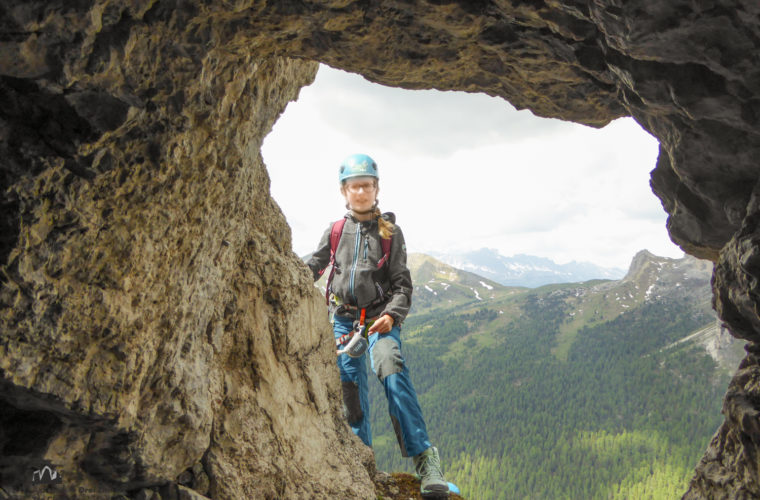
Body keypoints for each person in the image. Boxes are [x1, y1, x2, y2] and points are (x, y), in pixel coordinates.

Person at [307, 153, 449, 498]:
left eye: (366, 185)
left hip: (379, 320)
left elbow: (402, 284)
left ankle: (426, 461)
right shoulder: (337, 230)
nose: (360, 191)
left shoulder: (390, 232)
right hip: (343, 320)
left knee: (393, 373)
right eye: (354, 186)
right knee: (349, 391)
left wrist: (392, 315)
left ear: (376, 188)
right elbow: (316, 262)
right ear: (344, 191)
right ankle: (360, 462)